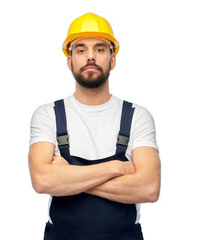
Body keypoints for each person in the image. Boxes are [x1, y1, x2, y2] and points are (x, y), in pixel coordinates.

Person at [28, 12, 161, 240]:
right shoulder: (47, 114)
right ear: (70, 61)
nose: (91, 57)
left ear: (113, 59)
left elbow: (149, 188)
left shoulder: (138, 116)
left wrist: (67, 176)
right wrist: (118, 168)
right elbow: (42, 181)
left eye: (100, 49)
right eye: (81, 50)